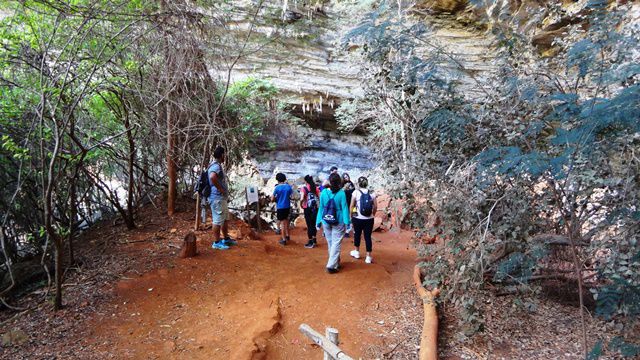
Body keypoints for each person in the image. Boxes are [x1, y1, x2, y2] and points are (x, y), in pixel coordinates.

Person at [316, 172, 351, 274]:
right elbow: (344, 208)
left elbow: (321, 208)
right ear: (339, 182)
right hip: (338, 221)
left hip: (326, 220)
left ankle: (336, 262)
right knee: (336, 243)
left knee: (331, 242)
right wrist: (347, 222)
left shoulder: (323, 193)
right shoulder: (341, 193)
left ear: (330, 182)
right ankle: (331, 265)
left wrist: (318, 221)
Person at [208, 146, 236, 250]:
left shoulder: (216, 165)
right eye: (225, 155)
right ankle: (216, 242)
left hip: (220, 198)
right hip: (217, 198)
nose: (226, 157)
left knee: (224, 219)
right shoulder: (216, 166)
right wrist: (220, 189)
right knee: (217, 220)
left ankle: (226, 239)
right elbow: (212, 177)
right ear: (222, 155)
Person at [349, 176, 378, 263]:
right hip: (369, 219)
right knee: (367, 237)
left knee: (357, 234)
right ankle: (368, 257)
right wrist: (373, 214)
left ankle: (357, 252)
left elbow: (352, 206)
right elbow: (375, 206)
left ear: (358, 184)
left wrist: (351, 216)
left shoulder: (356, 192)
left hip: (357, 218)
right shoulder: (372, 193)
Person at [272, 173, 293, 245]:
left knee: (282, 224)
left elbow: (272, 198)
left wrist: (276, 199)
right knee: (287, 221)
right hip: (287, 206)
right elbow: (291, 196)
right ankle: (287, 236)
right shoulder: (288, 187)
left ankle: (283, 240)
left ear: (277, 180)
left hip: (280, 207)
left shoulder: (277, 188)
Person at [301, 175, 320, 248]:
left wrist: (301, 204)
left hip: (307, 208)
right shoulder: (316, 188)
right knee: (314, 224)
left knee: (309, 226)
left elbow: (302, 198)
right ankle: (314, 240)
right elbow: (319, 197)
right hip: (315, 208)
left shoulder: (304, 188)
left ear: (305, 181)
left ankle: (310, 241)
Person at [342, 173, 355, 238]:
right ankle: (347, 231)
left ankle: (354, 230)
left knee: (354, 215)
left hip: (353, 202)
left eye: (347, 176)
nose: (347, 177)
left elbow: (354, 191)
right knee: (347, 216)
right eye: (345, 177)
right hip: (346, 203)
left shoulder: (351, 183)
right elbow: (342, 192)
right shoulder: (342, 185)